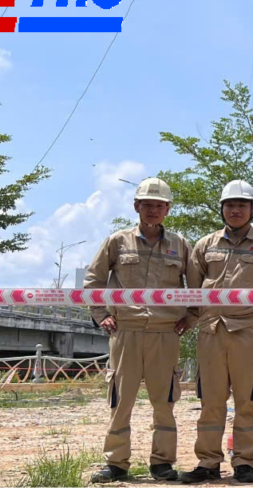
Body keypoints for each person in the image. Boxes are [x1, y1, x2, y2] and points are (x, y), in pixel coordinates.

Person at [86, 178, 194, 483]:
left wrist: (191, 317)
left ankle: (162, 463)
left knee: (165, 402)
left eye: (159, 206)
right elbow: (93, 280)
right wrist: (101, 314)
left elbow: (198, 285)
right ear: (136, 206)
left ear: (167, 209)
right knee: (120, 401)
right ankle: (116, 463)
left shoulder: (180, 245)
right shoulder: (117, 241)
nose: (153, 210)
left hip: (165, 333)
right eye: (147, 205)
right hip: (126, 332)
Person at [180, 180, 253, 484]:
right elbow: (194, 287)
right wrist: (201, 316)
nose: (235, 210)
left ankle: (244, 462)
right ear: (222, 209)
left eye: (242, 205)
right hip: (211, 332)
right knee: (211, 402)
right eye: (230, 205)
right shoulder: (205, 245)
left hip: (248, 333)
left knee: (247, 400)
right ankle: (208, 462)